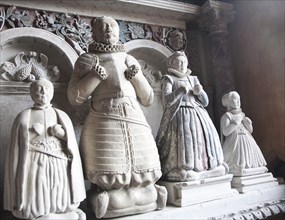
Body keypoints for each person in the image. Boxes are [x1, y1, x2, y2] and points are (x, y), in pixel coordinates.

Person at [67, 16, 166, 218]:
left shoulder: (129, 59)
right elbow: (75, 97)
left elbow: (147, 98)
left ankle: (145, 190)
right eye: (102, 27)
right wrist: (94, 76)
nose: (108, 30)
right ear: (94, 33)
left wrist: (137, 77)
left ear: (118, 31)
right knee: (109, 172)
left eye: (112, 26)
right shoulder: (87, 60)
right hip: (104, 118)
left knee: (144, 166)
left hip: (134, 116)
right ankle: (106, 196)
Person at [4, 78, 86, 219]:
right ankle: (38, 211)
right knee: (38, 186)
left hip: (59, 160)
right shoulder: (24, 116)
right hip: (35, 161)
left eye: (47, 88)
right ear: (31, 93)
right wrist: (32, 133)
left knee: (59, 186)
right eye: (39, 88)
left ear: (52, 92)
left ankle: (61, 209)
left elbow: (71, 141)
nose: (43, 92)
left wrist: (60, 133)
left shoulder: (61, 115)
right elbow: (17, 145)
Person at [156, 51, 227, 182]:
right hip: (180, 114)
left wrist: (200, 93)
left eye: (184, 62)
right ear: (172, 64)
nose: (181, 64)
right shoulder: (169, 78)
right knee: (185, 140)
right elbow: (166, 101)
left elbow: (205, 102)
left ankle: (209, 166)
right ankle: (184, 168)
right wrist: (179, 91)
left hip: (198, 113)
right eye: (178, 62)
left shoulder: (193, 79)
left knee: (205, 140)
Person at [221, 91, 267, 176]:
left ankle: (253, 167)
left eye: (239, 99)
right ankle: (238, 167)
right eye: (235, 99)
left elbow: (250, 131)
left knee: (251, 158)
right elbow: (225, 132)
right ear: (229, 102)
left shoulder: (242, 115)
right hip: (235, 142)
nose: (238, 101)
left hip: (247, 139)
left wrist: (248, 124)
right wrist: (235, 123)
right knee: (239, 160)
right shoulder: (227, 116)